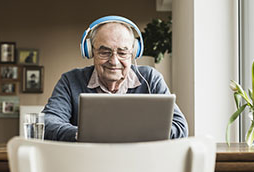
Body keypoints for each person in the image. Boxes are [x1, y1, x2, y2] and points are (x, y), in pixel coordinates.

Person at [43, 16, 188, 141]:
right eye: (104, 52)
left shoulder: (150, 78)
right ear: (90, 51)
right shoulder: (71, 80)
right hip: (88, 164)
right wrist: (83, 135)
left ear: (134, 52)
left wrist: (124, 134)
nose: (114, 61)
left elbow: (179, 127)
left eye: (122, 52)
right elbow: (48, 122)